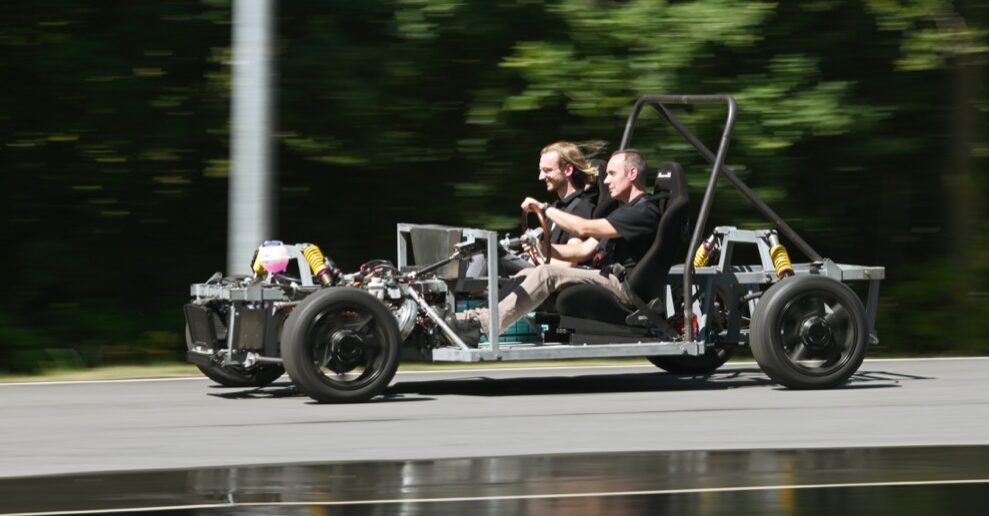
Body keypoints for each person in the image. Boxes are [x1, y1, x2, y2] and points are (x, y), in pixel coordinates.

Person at [453, 149, 662, 343]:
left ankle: (481, 327)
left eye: (612, 174)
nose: (606, 181)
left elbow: (582, 229)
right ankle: (465, 318)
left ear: (632, 174)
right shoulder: (624, 212)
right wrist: (544, 249)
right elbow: (583, 251)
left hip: (624, 288)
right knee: (525, 275)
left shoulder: (643, 212)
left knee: (545, 273)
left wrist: (543, 208)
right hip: (606, 275)